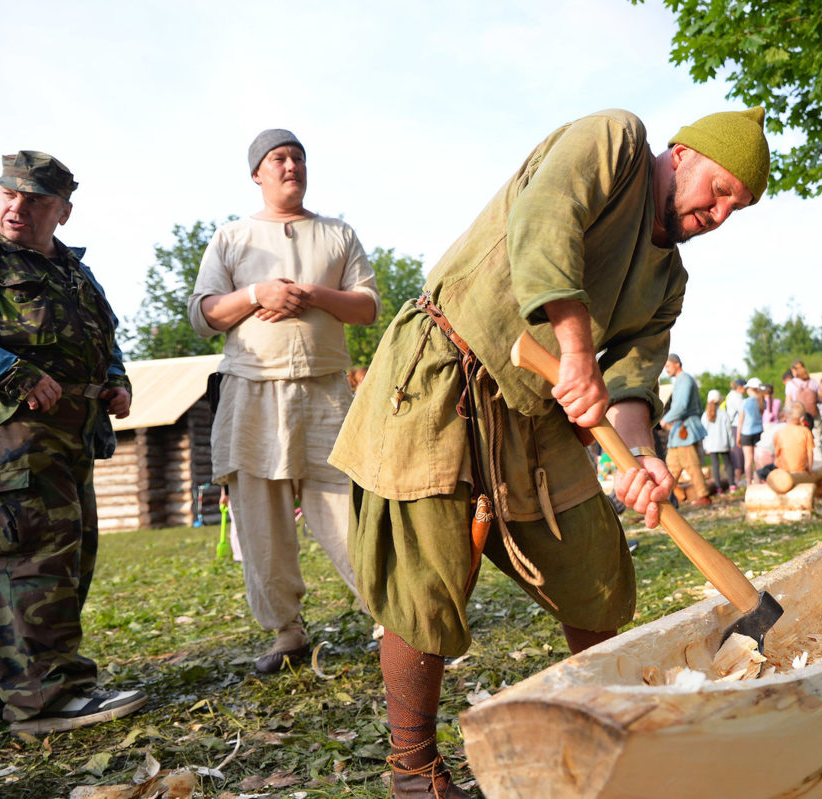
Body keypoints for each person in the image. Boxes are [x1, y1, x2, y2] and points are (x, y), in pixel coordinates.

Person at [328, 107, 769, 797]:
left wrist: (642, 453)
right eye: (719, 189)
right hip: (446, 368)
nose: (719, 213)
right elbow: (546, 221)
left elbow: (630, 379)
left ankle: (606, 731)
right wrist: (573, 350)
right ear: (681, 155)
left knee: (594, 567)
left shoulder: (669, 279)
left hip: (537, 414)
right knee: (425, 577)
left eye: (735, 209)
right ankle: (413, 769)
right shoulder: (617, 145)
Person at [188, 129, 381, 674]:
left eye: (298, 157)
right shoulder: (230, 238)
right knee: (260, 515)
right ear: (257, 174)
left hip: (324, 389)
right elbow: (202, 316)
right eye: (278, 158)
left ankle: (390, 619)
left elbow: (366, 307)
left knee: (349, 509)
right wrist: (257, 294)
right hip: (250, 389)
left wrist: (309, 293)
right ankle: (286, 634)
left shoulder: (337, 234)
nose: (290, 164)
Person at [0, 152, 147, 734]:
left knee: (70, 559)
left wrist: (115, 380)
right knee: (31, 561)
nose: (16, 207)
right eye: (8, 193)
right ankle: (45, 699)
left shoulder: (75, 273)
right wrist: (12, 369)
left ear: (64, 213)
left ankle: (7, 691)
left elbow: (106, 340)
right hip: (13, 441)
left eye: (34, 200)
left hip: (72, 440)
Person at [660, 354, 710, 507]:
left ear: (677, 364)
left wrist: (664, 420)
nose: (666, 369)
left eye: (668, 366)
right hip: (679, 431)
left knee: (691, 464)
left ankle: (703, 496)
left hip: (685, 429)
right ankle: (663, 497)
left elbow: (681, 406)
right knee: (671, 467)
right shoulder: (679, 381)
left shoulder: (685, 380)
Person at [758, 402, 814, 480]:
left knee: (759, 473)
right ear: (802, 419)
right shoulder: (806, 431)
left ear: (786, 416)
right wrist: (810, 469)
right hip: (800, 468)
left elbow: (777, 453)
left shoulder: (779, 432)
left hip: (784, 469)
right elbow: (810, 453)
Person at [701, 389, 737, 492]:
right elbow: (729, 430)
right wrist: (732, 444)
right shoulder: (723, 413)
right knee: (728, 464)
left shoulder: (705, 415)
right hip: (724, 443)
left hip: (711, 445)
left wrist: (705, 446)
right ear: (719, 400)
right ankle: (732, 485)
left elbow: (704, 432)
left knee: (715, 466)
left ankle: (718, 488)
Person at [734, 377, 766, 486]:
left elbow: (741, 421)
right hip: (759, 432)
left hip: (746, 433)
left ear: (750, 389)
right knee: (758, 459)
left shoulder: (745, 402)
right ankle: (759, 481)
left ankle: (749, 483)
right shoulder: (762, 400)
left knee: (748, 460)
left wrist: (738, 436)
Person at [724, 378, 746, 483]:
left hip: (733, 426)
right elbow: (742, 412)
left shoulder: (730, 395)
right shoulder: (737, 396)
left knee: (735, 453)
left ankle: (734, 479)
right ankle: (737, 480)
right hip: (737, 426)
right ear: (740, 387)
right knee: (738, 454)